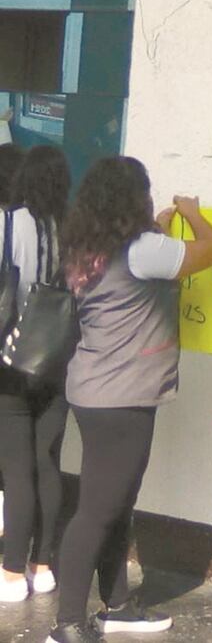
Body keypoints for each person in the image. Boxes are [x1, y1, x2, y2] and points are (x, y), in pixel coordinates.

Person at [49, 157, 212, 643]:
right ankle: (66, 623)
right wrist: (192, 213)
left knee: (116, 501)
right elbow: (211, 250)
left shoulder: (87, 247)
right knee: (98, 510)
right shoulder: (144, 250)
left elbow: (148, 262)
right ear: (135, 200)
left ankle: (118, 604)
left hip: (93, 388)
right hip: (122, 398)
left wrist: (160, 229)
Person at [0, 146, 72, 603]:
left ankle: (9, 573)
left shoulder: (7, 222)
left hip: (10, 359)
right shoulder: (72, 229)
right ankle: (43, 564)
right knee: (48, 463)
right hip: (58, 359)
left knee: (16, 468)